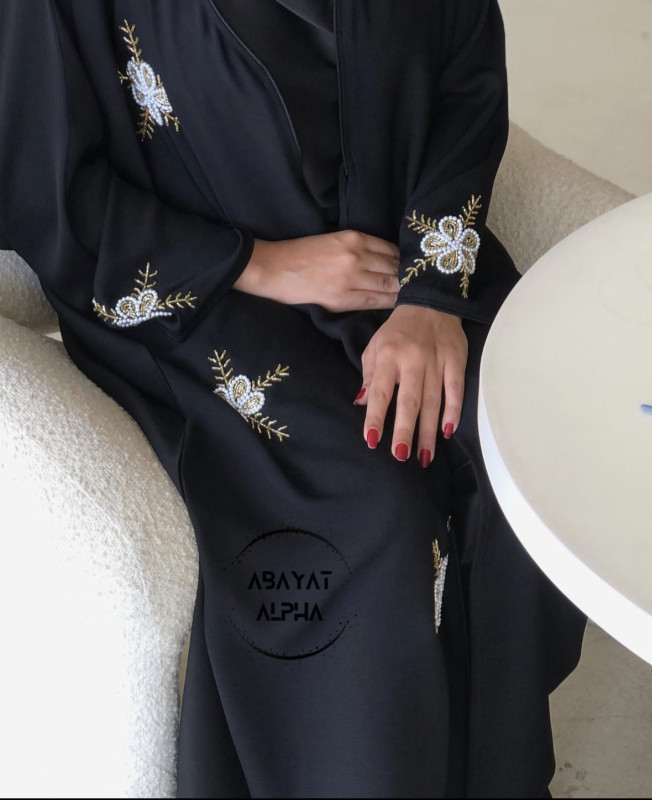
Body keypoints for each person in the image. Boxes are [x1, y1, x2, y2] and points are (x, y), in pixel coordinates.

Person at [0, 0, 587, 796]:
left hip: (398, 263)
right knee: (366, 509)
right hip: (201, 294)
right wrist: (263, 265)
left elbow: (465, 78)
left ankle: (494, 778)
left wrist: (432, 294)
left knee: (522, 440)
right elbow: (43, 185)